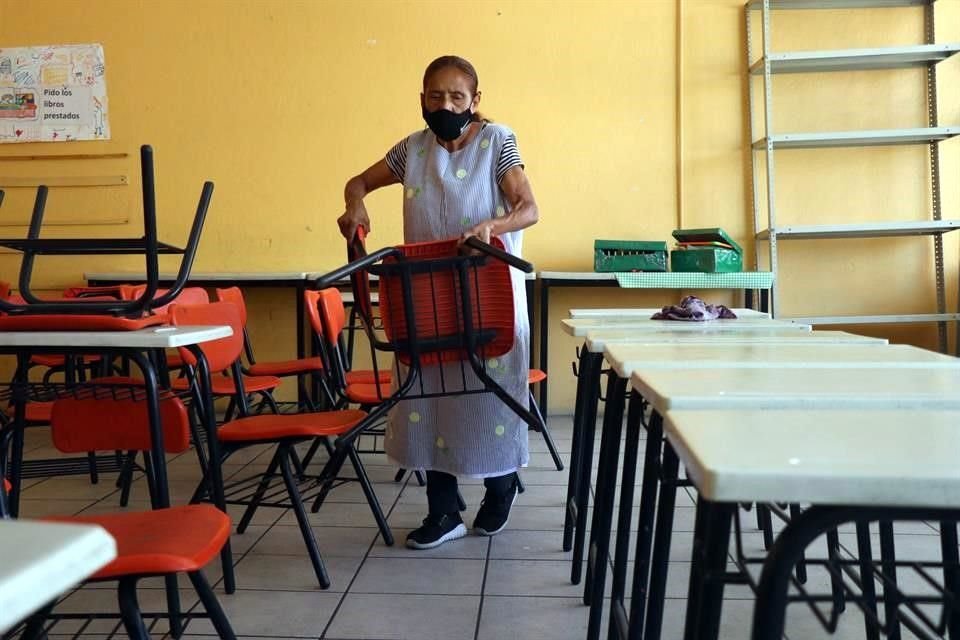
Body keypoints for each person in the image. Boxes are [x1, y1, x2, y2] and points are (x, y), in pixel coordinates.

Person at [337, 55, 539, 549]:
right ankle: (443, 511)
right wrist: (355, 206)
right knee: (430, 397)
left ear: (474, 100)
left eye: (456, 96)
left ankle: (499, 489)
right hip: (427, 294)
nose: (445, 104)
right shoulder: (412, 150)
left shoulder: (498, 142)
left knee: (489, 394)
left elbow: (529, 209)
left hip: (488, 294)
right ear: (422, 98)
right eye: (435, 96)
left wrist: (493, 226)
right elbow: (357, 182)